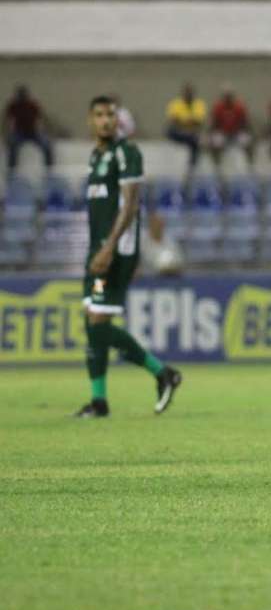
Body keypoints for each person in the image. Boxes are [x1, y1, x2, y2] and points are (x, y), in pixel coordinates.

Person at [75, 96, 183, 419]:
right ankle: (99, 401)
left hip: (115, 253)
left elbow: (130, 205)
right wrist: (97, 249)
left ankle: (162, 372)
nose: (106, 121)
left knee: (97, 325)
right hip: (97, 252)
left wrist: (109, 248)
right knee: (93, 322)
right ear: (90, 121)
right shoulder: (96, 157)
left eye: (111, 115)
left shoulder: (127, 154)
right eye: (99, 115)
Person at [5, 85, 53, 173]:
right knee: (12, 145)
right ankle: (11, 171)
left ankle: (49, 170)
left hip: (33, 132)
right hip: (19, 132)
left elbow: (39, 120)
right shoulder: (13, 105)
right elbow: (10, 121)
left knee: (47, 145)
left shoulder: (32, 105)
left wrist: (41, 131)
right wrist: (10, 133)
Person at [209, 84, 255, 169]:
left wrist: (249, 133)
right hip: (222, 133)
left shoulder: (239, 107)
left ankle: (250, 164)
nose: (228, 98)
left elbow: (245, 122)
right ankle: (217, 166)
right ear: (223, 96)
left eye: (229, 96)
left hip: (236, 133)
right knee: (214, 143)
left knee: (248, 142)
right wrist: (211, 134)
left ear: (232, 96)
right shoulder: (218, 107)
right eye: (226, 96)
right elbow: (214, 123)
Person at [165, 83, 206, 172]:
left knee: (196, 140)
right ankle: (188, 137)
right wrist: (189, 122)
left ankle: (192, 166)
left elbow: (199, 122)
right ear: (183, 93)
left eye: (190, 92)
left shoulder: (199, 104)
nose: (188, 94)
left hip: (192, 133)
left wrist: (183, 121)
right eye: (187, 92)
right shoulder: (175, 103)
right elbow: (173, 121)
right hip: (179, 132)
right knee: (169, 130)